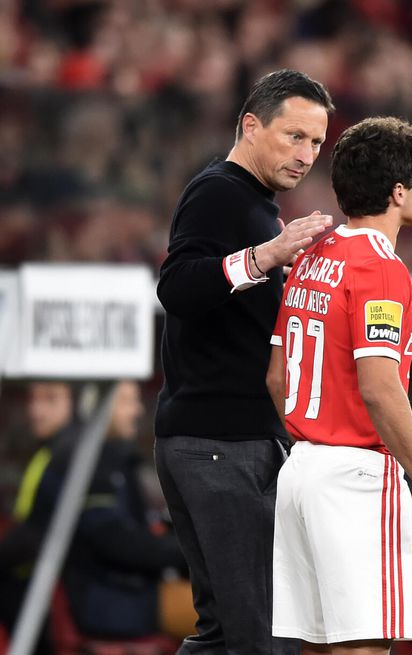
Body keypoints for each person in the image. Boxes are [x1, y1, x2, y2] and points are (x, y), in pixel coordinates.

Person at [153, 69, 335, 655]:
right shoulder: (220, 193)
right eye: (294, 136)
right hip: (219, 444)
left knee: (227, 637)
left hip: (217, 441)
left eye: (315, 142)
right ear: (251, 126)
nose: (306, 155)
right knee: (266, 636)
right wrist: (265, 256)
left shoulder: (252, 202)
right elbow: (177, 286)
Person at [266, 116, 412, 655]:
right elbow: (380, 388)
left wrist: (315, 434)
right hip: (355, 477)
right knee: (363, 647)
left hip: (301, 468)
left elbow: (278, 377)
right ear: (398, 192)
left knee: (321, 645)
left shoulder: (311, 258)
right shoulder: (380, 269)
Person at [42, 380, 194, 641]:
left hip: (131, 593)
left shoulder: (109, 457)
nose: (137, 410)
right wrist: (184, 551)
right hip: (112, 601)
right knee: (233, 614)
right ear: (97, 404)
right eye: (126, 401)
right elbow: (112, 539)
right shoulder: (90, 461)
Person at [0, 381, 80, 654]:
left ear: (74, 403)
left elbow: (39, 530)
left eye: (50, 399)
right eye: (33, 399)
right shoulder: (50, 451)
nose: (36, 410)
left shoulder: (66, 453)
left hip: (42, 587)